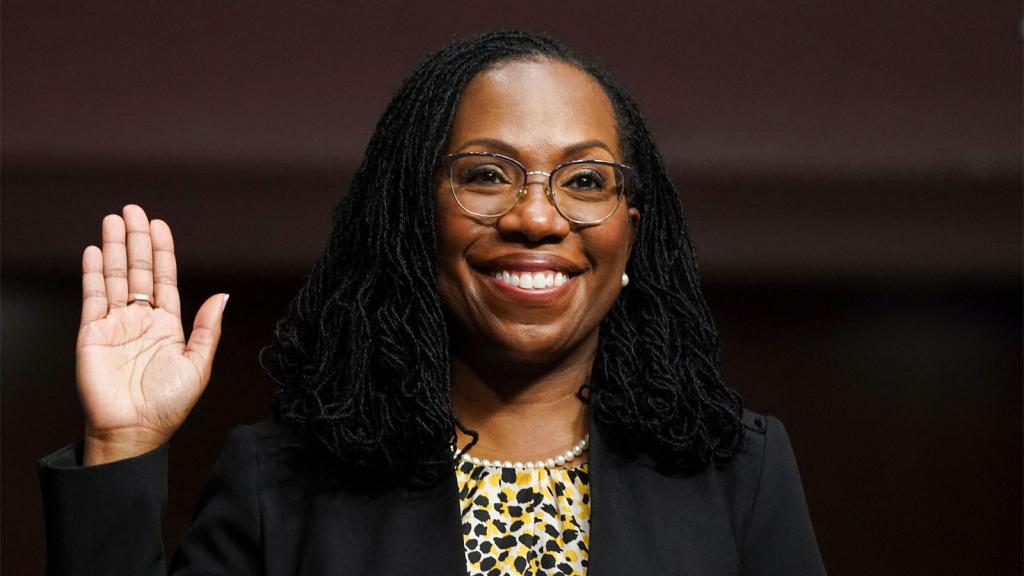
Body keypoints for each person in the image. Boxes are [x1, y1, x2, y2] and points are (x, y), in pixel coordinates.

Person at [38, 30, 826, 575]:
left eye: (585, 181)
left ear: (631, 231)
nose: (539, 218)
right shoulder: (283, 484)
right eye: (487, 174)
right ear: (413, 216)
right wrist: (121, 446)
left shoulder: (740, 473)